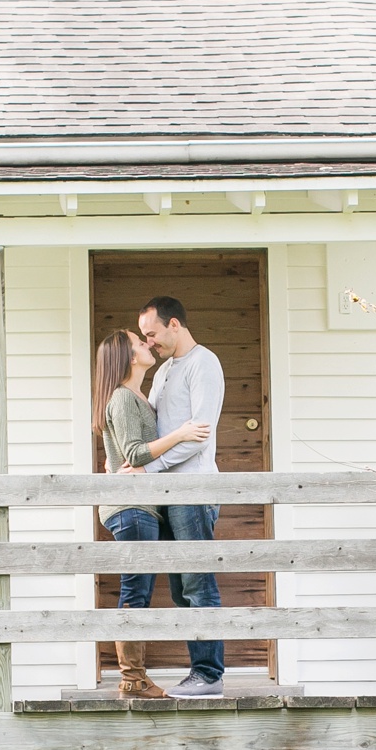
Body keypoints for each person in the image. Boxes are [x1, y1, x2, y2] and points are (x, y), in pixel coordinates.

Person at [91, 328, 212, 699]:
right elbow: (136, 455)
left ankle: (134, 676)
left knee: (138, 590)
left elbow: (121, 456)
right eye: (140, 342)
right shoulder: (124, 398)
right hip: (131, 509)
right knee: (135, 591)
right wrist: (181, 434)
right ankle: (132, 678)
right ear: (129, 357)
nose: (148, 345)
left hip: (140, 508)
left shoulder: (135, 396)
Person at [135, 296, 228, 698]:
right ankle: (200, 671)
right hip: (169, 492)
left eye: (152, 334)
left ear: (174, 324)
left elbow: (198, 434)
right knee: (179, 589)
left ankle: (208, 674)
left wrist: (148, 469)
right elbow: (154, 424)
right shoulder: (165, 371)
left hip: (194, 489)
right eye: (144, 338)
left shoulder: (203, 363)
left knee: (197, 584)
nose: (150, 343)